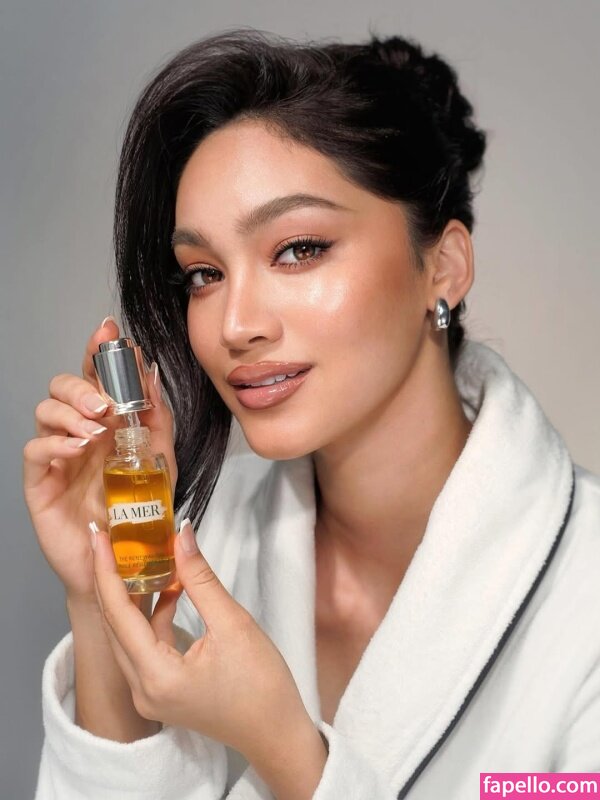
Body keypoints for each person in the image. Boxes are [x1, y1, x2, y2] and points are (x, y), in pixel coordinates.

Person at [23, 26, 600, 800]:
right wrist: (104, 592)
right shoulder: (205, 536)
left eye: (298, 248)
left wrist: (283, 746)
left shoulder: (584, 585)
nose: (235, 325)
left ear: (444, 266)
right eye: (203, 273)